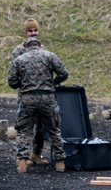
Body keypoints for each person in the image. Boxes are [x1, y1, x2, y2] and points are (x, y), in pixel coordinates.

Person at [7, 37, 69, 173]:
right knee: (53, 130)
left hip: (27, 98)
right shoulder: (50, 56)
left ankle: (22, 162)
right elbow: (64, 73)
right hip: (47, 98)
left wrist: (23, 84)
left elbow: (11, 82)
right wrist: (53, 82)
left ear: (27, 47)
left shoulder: (20, 59)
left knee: (24, 131)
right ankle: (60, 162)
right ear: (40, 47)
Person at [10, 18, 49, 163]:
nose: (33, 33)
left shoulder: (43, 49)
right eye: (30, 31)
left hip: (42, 93)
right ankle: (22, 157)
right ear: (25, 33)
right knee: (25, 127)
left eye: (35, 30)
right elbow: (13, 73)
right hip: (26, 94)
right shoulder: (19, 51)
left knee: (40, 126)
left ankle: (36, 153)